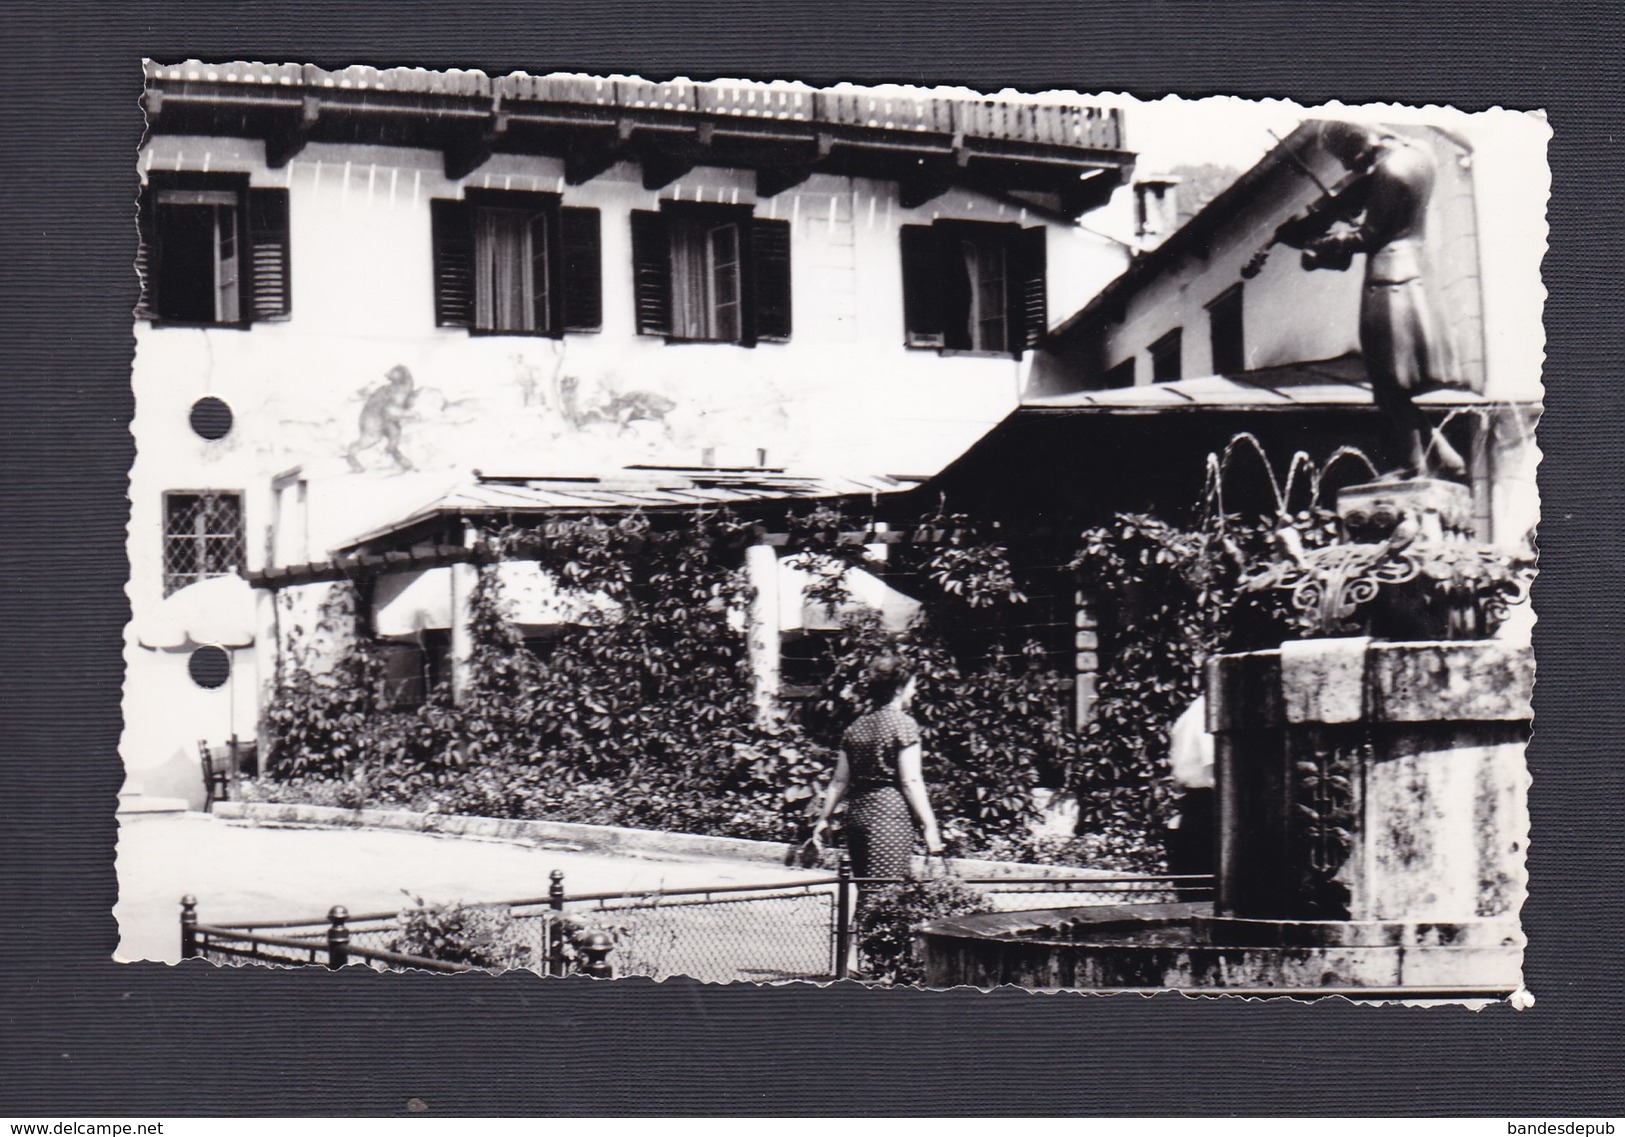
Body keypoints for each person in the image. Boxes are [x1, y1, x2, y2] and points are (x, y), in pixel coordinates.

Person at [1274, 121, 1466, 480]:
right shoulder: (1416, 156)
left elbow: (1369, 233)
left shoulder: (1389, 170)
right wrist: (1329, 213)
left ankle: (1413, 465)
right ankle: (1444, 454)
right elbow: (1364, 195)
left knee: (1387, 379)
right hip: (1417, 272)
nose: (1348, 168)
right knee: (1394, 380)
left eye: (1348, 158)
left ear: (1357, 146)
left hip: (1389, 277)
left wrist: (1319, 248)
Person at [811, 654, 945, 886]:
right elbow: (910, 781)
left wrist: (824, 819)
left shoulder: (856, 726)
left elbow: (839, 781)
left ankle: (853, 925)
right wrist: (930, 826)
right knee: (885, 894)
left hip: (857, 817)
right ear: (899, 689)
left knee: (866, 891)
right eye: (912, 687)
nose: (914, 693)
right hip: (888, 817)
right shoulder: (903, 724)